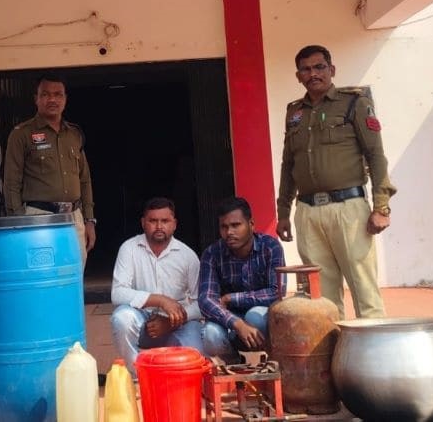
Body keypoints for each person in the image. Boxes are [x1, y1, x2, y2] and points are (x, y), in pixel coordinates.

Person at [276, 44, 395, 319]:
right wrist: (283, 212)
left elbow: (376, 156)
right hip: (308, 212)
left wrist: (381, 207)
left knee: (364, 289)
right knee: (321, 298)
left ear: (332, 69)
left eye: (319, 67)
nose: (313, 74)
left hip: (348, 209)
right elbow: (288, 165)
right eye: (306, 69)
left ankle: (372, 347)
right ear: (298, 76)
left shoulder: (354, 104)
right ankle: (334, 346)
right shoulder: (294, 113)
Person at [3, 75, 96, 262]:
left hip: (74, 217)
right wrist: (19, 221)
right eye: (45, 94)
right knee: (42, 271)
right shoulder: (22, 134)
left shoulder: (74, 134)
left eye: (58, 94)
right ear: (36, 99)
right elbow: (11, 182)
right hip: (38, 218)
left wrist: (89, 220)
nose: (52, 99)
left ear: (65, 99)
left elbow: (84, 180)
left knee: (74, 272)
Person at [109, 197, 204, 375]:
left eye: (165, 221)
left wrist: (171, 322)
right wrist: (160, 300)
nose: (159, 226)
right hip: (144, 322)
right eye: (153, 221)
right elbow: (118, 293)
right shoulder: (129, 248)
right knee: (122, 318)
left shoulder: (188, 256)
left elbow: (201, 304)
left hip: (178, 324)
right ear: (143, 223)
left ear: (174, 224)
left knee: (194, 362)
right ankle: (137, 375)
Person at [198, 196, 284, 359]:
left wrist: (232, 298)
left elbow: (277, 292)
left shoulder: (270, 247)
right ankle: (235, 364)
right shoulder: (212, 253)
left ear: (251, 224)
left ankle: (266, 359)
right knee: (210, 335)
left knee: (254, 316)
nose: (229, 232)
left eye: (236, 225)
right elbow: (205, 300)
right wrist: (237, 324)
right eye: (224, 227)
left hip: (260, 315)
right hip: (229, 318)